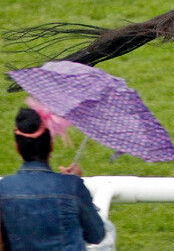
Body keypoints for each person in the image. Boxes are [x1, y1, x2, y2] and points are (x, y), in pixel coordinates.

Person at [0, 107, 105, 250]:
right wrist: (75, 186)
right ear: (51, 145)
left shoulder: (3, 188)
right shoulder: (72, 186)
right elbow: (96, 235)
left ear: (17, 148)